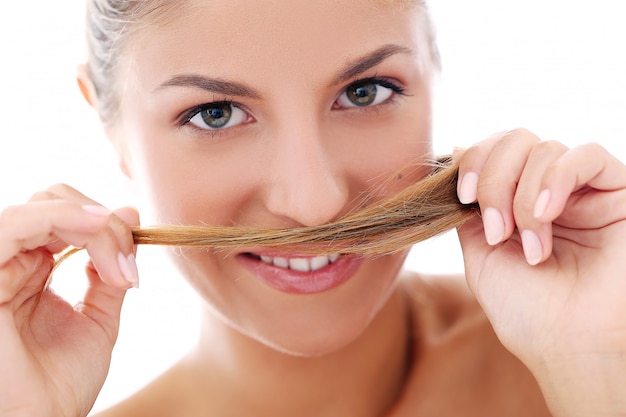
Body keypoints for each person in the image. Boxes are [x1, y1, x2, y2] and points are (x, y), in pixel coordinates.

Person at [1, 0, 625, 416]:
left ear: (435, 75)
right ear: (109, 128)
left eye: (366, 91)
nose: (313, 202)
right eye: (214, 114)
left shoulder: (577, 357)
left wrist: (600, 369)